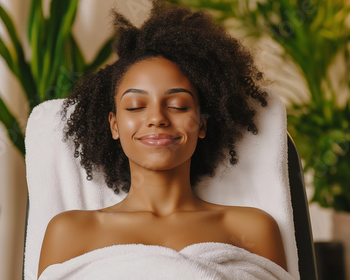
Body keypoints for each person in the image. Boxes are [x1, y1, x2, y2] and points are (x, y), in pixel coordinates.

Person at [37, 1, 289, 279]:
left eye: (179, 105)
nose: (157, 118)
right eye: (135, 106)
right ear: (114, 125)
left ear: (202, 124)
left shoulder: (251, 229)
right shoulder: (71, 231)